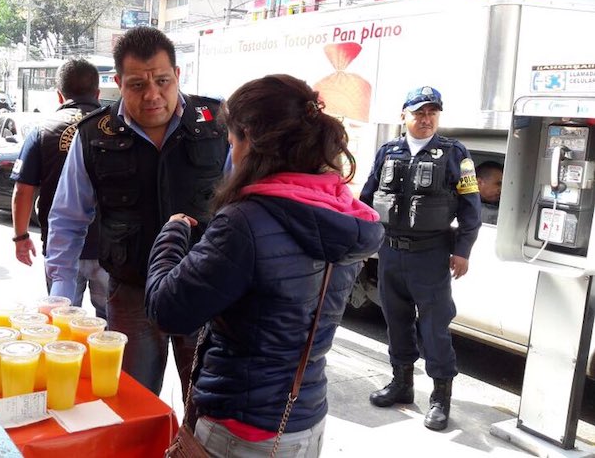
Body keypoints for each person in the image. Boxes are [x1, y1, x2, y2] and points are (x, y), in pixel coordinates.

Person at [145, 74, 383, 456]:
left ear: (250, 139)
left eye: (232, 141)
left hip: (240, 428)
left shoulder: (246, 223)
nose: (231, 153)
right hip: (304, 419)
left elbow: (167, 309)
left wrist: (172, 235)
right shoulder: (346, 216)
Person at [45, 27, 229, 396]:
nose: (152, 95)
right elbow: (67, 220)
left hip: (206, 290)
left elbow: (245, 204)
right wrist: (60, 299)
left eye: (162, 80)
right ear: (117, 82)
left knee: (208, 402)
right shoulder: (94, 135)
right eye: (137, 85)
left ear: (178, 75)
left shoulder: (218, 123)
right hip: (131, 294)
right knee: (132, 400)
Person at [360, 86, 481, 431]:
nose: (426, 119)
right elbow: (369, 197)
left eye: (432, 113)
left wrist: (463, 250)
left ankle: (440, 398)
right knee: (396, 321)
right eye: (419, 113)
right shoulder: (388, 151)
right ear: (404, 116)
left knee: (434, 328)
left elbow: (471, 207)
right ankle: (402, 385)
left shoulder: (455, 153)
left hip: (432, 254)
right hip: (390, 252)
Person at [10, 59, 109, 320]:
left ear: (59, 94)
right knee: (111, 331)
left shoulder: (42, 131)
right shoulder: (115, 128)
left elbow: (23, 191)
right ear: (97, 93)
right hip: (111, 250)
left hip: (62, 248)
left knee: (62, 327)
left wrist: (21, 237)